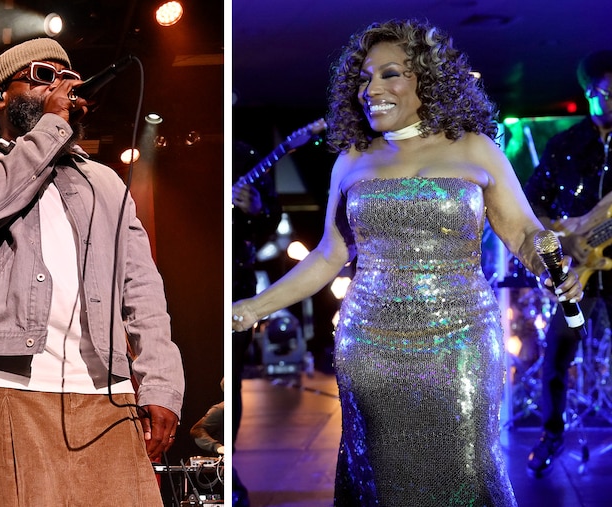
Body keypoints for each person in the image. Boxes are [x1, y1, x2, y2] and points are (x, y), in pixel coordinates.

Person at [231, 19, 585, 506]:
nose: (371, 90)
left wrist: (550, 267)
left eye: (389, 74)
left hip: (461, 339)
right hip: (370, 344)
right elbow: (329, 255)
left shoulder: (475, 147)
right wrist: (252, 306)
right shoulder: (352, 158)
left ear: (426, 78)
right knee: (383, 477)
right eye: (363, 79)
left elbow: (525, 233)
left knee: (466, 471)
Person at [0, 38, 184, 506]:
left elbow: (141, 285)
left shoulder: (103, 180)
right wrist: (49, 129)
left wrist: (162, 382)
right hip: (2, 382)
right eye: (43, 76)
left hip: (104, 390)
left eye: (68, 79)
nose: (61, 87)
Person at [523, 49, 612, 478]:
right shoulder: (564, 146)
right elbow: (530, 206)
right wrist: (564, 239)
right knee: (557, 355)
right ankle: (551, 434)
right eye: (606, 93)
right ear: (590, 92)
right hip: (574, 268)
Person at [231, 139, 281, 507]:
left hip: (238, 286)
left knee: (232, 380)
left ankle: (227, 466)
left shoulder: (249, 152)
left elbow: (269, 220)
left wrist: (260, 211)